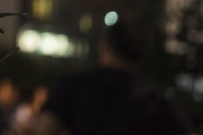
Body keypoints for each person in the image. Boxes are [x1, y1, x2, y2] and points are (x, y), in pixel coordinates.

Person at [35, 18, 190, 135]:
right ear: (142, 54)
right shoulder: (156, 102)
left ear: (105, 46)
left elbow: (45, 129)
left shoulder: (73, 86)